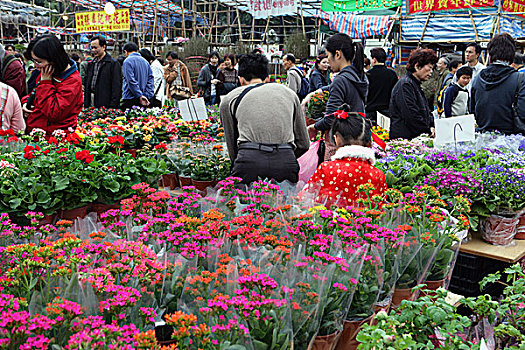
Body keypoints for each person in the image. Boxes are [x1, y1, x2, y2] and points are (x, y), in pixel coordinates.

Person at [219, 53, 309, 184]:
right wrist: (282, 156)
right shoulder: (289, 94)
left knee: (245, 203)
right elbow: (304, 143)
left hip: (249, 161)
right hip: (285, 161)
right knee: (285, 203)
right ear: (267, 78)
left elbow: (232, 145)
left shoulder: (229, 99)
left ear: (240, 79)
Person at [302, 107, 387, 207]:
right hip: (364, 222)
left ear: (336, 139)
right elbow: (381, 209)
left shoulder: (326, 168)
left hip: (331, 221)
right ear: (369, 143)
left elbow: (306, 198)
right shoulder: (377, 175)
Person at [305, 33, 368, 160]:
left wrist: (313, 127)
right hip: (358, 140)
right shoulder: (359, 76)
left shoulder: (340, 80)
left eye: (328, 56)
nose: (327, 61)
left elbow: (330, 118)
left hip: (341, 145)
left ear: (338, 54)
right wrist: (316, 92)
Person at [21, 35, 83, 136]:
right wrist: (26, 103)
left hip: (54, 138)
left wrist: (45, 83)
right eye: (34, 61)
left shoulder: (72, 81)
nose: (35, 66)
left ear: (53, 60)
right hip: (37, 133)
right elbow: (36, 94)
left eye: (39, 62)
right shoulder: (47, 72)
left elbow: (54, 112)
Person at [471, 33, 525, 135]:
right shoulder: (520, 79)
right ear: (512, 54)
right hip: (512, 141)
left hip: (484, 139)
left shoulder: (477, 79)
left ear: (490, 53)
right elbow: (523, 112)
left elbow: (472, 110)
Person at [389, 49, 437, 140]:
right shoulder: (405, 85)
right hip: (405, 141)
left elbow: (425, 111)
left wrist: (432, 125)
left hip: (413, 138)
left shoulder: (415, 84)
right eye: (429, 68)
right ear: (417, 66)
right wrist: (427, 130)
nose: (431, 72)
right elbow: (411, 115)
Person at [84, 36, 122, 109]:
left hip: (105, 103)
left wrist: (113, 106)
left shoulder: (113, 63)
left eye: (95, 47)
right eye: (91, 48)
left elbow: (116, 87)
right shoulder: (91, 64)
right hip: (92, 100)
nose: (93, 50)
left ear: (103, 47)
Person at [365, 47, 398, 122]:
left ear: (374, 59)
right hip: (387, 112)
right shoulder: (392, 74)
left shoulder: (368, 74)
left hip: (371, 112)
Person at [121, 41, 154, 109]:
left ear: (125, 52)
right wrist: (147, 95)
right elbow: (150, 79)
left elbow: (130, 80)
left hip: (130, 97)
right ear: (137, 50)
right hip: (145, 98)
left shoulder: (127, 61)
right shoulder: (145, 62)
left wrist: (139, 95)